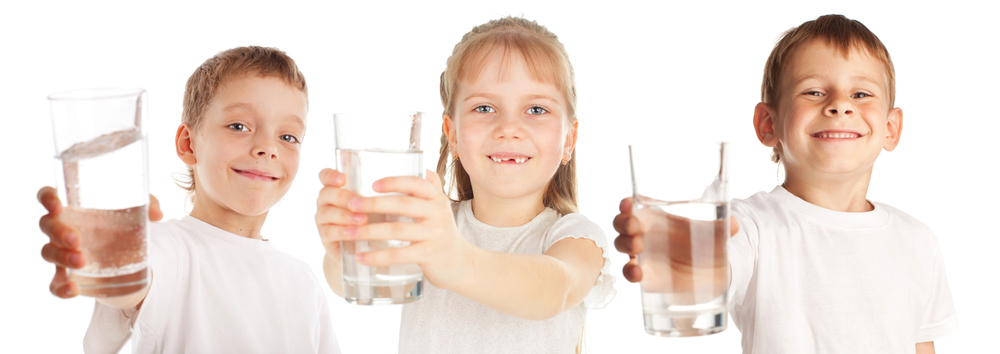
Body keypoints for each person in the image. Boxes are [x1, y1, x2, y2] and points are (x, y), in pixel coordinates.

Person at [613, 14, 958, 353]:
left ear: (891, 128)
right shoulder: (749, 226)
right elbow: (708, 277)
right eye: (813, 92)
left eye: (861, 94)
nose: (839, 105)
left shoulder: (918, 241)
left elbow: (920, 346)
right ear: (768, 124)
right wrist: (677, 250)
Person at [315, 16, 615, 354]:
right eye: (484, 107)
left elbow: (557, 287)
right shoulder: (432, 228)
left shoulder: (576, 237)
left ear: (568, 140)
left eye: (536, 108)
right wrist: (345, 253)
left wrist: (457, 261)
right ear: (453, 134)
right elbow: (360, 285)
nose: (509, 127)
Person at [37, 46, 340, 353]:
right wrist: (106, 250)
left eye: (287, 136)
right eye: (239, 126)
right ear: (188, 144)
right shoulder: (168, 249)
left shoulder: (304, 281)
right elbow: (130, 284)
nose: (267, 147)